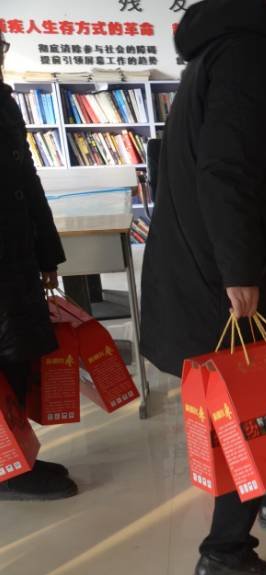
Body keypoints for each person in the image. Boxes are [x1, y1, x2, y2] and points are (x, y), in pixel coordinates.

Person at [140, 0, 266, 575]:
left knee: (263, 388)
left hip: (215, 258)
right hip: (219, 272)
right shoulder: (251, 55)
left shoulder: (234, 46)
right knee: (246, 401)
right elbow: (226, 171)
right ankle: (225, 549)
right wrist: (239, 272)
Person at [0, 30, 79, 502]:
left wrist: (47, 254)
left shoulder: (5, 102)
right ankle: (8, 471)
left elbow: (27, 181)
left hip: (16, 257)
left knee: (18, 357)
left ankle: (18, 456)